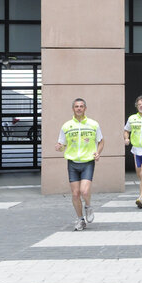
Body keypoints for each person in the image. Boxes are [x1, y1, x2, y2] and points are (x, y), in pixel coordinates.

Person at [54, 98, 104, 231]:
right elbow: (62, 144)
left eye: (81, 106)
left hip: (88, 162)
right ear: (73, 109)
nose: (79, 108)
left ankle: (88, 206)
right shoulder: (66, 126)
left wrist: (98, 153)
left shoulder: (93, 124)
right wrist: (59, 147)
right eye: (76, 106)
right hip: (72, 163)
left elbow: (101, 141)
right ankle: (80, 219)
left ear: (85, 108)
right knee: (75, 194)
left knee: (84, 191)